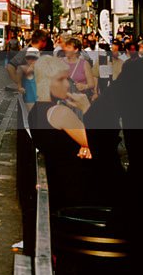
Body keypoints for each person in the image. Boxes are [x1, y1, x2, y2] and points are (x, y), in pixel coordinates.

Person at [28, 54, 94, 209]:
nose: (67, 84)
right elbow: (100, 141)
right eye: (60, 79)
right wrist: (87, 108)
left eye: (67, 79)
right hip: (77, 190)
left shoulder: (36, 111)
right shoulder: (60, 113)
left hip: (57, 185)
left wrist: (85, 146)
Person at [61, 35, 97, 103]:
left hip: (79, 101)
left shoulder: (84, 64)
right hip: (64, 100)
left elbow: (91, 84)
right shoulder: (60, 62)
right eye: (66, 47)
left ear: (76, 50)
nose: (66, 49)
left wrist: (84, 86)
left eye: (69, 47)